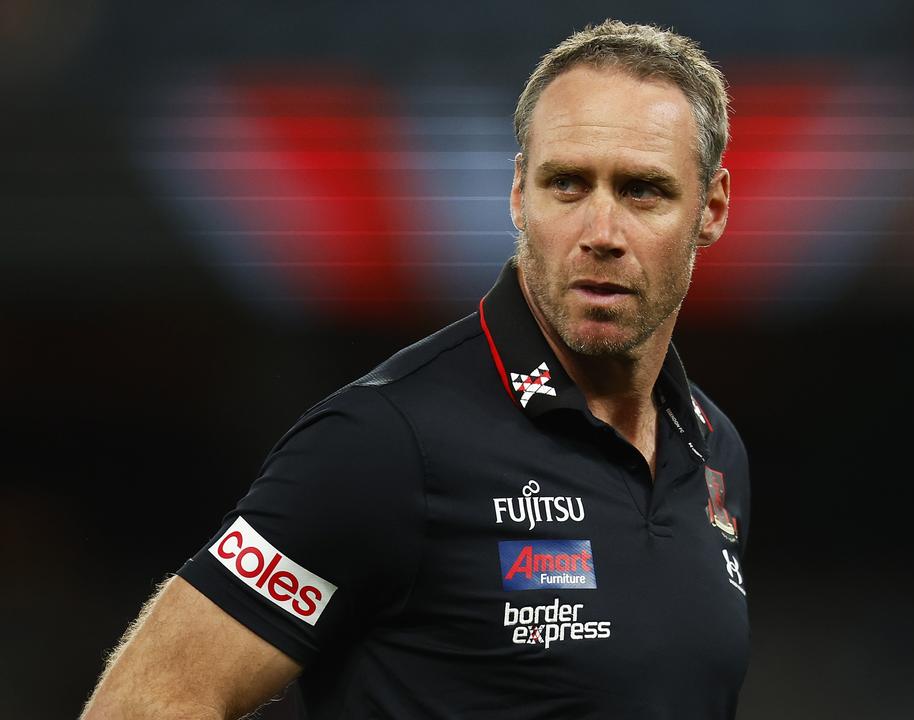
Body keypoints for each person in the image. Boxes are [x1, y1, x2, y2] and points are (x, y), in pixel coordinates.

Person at [83, 19, 749, 719]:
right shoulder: (386, 440)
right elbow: (142, 705)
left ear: (712, 208)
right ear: (520, 194)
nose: (601, 233)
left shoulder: (714, 450)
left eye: (643, 190)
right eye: (568, 184)